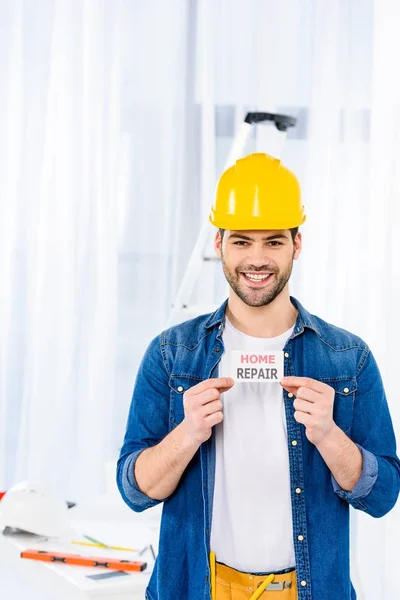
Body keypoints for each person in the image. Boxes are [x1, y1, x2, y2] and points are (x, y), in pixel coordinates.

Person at [117, 153, 400, 600]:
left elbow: (384, 496)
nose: (257, 258)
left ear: (297, 244)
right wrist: (188, 433)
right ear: (219, 243)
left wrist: (328, 435)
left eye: (273, 242)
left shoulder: (348, 360)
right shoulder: (171, 356)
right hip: (198, 587)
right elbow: (135, 491)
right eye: (242, 241)